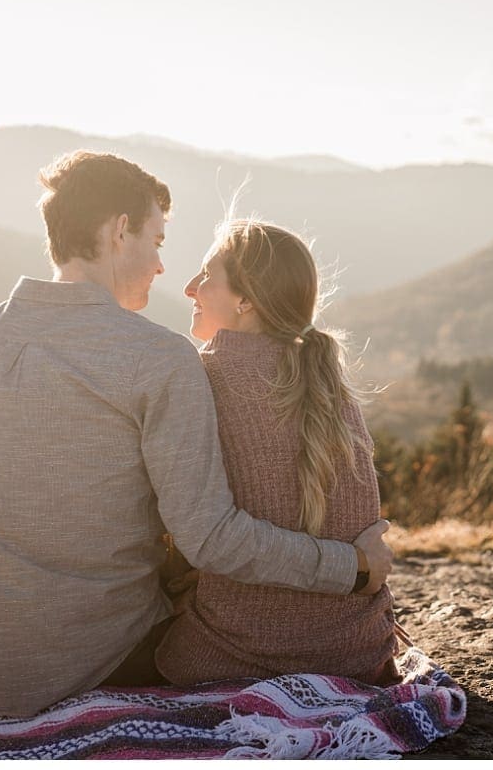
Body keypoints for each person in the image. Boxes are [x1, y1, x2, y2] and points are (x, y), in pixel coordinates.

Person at [0, 151, 392, 718]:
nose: (161, 268)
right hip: (106, 665)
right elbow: (208, 537)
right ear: (119, 230)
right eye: (156, 242)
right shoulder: (160, 357)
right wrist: (348, 565)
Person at [156, 219, 399, 687]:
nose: (189, 287)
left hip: (230, 657)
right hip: (358, 656)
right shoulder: (328, 378)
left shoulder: (199, 378)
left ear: (245, 300)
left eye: (206, 275)